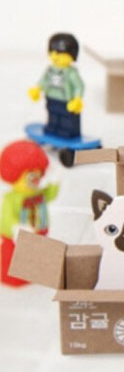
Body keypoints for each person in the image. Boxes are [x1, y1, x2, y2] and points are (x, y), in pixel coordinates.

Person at [0, 140, 59, 286]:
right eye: (31, 176)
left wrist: (55, 181)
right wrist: (15, 228)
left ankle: (35, 270)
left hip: (39, 230)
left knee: (37, 254)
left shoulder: (39, 192)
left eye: (39, 174)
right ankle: (13, 276)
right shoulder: (12, 198)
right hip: (18, 237)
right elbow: (6, 217)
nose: (36, 180)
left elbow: (50, 195)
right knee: (14, 258)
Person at [28, 33, 84, 138]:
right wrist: (37, 89)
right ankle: (52, 127)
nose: (54, 56)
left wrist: (77, 99)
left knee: (67, 118)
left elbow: (79, 86)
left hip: (67, 102)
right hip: (51, 98)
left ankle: (67, 131)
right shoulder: (50, 69)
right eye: (52, 52)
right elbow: (44, 81)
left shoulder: (71, 73)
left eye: (59, 53)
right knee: (52, 114)